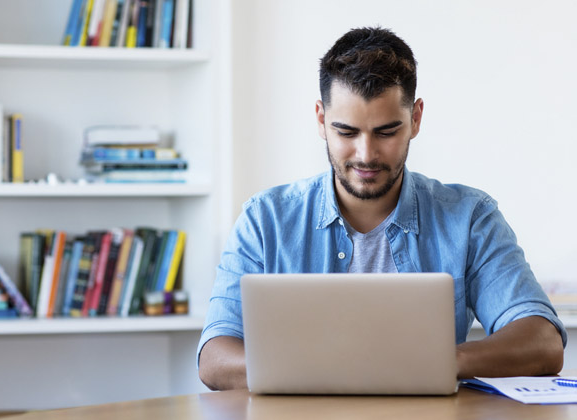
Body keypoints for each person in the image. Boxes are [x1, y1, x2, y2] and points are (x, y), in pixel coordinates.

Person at [197, 27, 566, 391]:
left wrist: (437, 362)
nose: (366, 154)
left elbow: (542, 342)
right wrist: (326, 368)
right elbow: (214, 358)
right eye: (347, 132)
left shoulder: (470, 218)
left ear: (416, 119)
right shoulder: (265, 220)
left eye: (386, 132)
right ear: (321, 120)